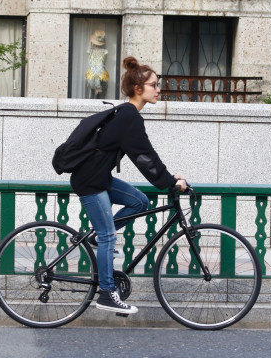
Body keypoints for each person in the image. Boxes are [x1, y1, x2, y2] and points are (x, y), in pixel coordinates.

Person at [70, 56, 188, 315]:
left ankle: (94, 238)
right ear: (139, 89)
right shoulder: (129, 117)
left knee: (140, 202)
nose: (159, 89)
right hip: (91, 181)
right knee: (109, 237)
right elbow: (145, 156)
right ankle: (106, 293)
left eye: (159, 84)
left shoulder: (128, 114)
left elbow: (144, 155)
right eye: (154, 85)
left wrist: (168, 178)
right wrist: (170, 182)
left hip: (98, 177)